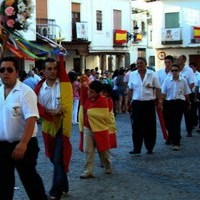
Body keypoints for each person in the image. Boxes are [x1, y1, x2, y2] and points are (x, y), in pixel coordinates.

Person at [0, 56, 47, 200]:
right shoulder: (0, 90)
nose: (5, 73)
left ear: (17, 73)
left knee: (30, 180)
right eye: (2, 70)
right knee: (3, 183)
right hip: (3, 146)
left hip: (24, 145)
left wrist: (23, 143)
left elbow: (31, 118)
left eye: (9, 69)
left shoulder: (26, 92)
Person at [35, 57, 73, 200]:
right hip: (48, 126)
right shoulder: (39, 90)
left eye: (55, 68)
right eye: (49, 69)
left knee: (58, 158)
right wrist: (50, 113)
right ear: (43, 71)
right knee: (52, 157)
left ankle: (55, 191)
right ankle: (64, 183)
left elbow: (67, 103)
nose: (52, 71)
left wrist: (61, 111)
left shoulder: (63, 84)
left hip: (63, 125)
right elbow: (37, 108)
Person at [128, 57, 162, 155]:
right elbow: (130, 89)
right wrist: (128, 100)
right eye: (138, 63)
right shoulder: (132, 75)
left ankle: (150, 147)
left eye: (141, 63)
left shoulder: (152, 74)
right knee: (136, 127)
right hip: (137, 103)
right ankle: (136, 148)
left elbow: (158, 89)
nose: (139, 65)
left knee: (150, 126)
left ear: (146, 64)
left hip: (149, 103)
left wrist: (159, 101)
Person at [79, 81, 111, 178]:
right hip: (88, 127)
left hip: (99, 129)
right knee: (88, 150)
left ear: (98, 93)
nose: (89, 93)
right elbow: (82, 89)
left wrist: (89, 112)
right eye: (89, 90)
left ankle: (107, 165)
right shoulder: (86, 98)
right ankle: (88, 170)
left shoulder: (103, 101)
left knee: (103, 150)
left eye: (92, 92)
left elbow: (104, 116)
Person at [161, 64, 191, 150]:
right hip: (169, 103)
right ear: (171, 71)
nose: (174, 72)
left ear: (179, 71)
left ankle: (176, 143)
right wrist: (162, 103)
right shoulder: (167, 80)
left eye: (176, 70)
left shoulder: (183, 81)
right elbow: (163, 93)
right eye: (172, 70)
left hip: (179, 103)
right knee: (168, 123)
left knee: (177, 123)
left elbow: (186, 93)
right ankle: (171, 136)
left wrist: (189, 103)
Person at [177, 55, 195, 137]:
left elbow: (192, 83)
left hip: (187, 95)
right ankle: (177, 132)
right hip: (178, 95)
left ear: (184, 60)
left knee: (188, 113)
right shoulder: (176, 69)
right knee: (177, 114)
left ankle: (189, 130)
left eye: (179, 59)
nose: (178, 61)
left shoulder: (189, 70)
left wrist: (186, 92)